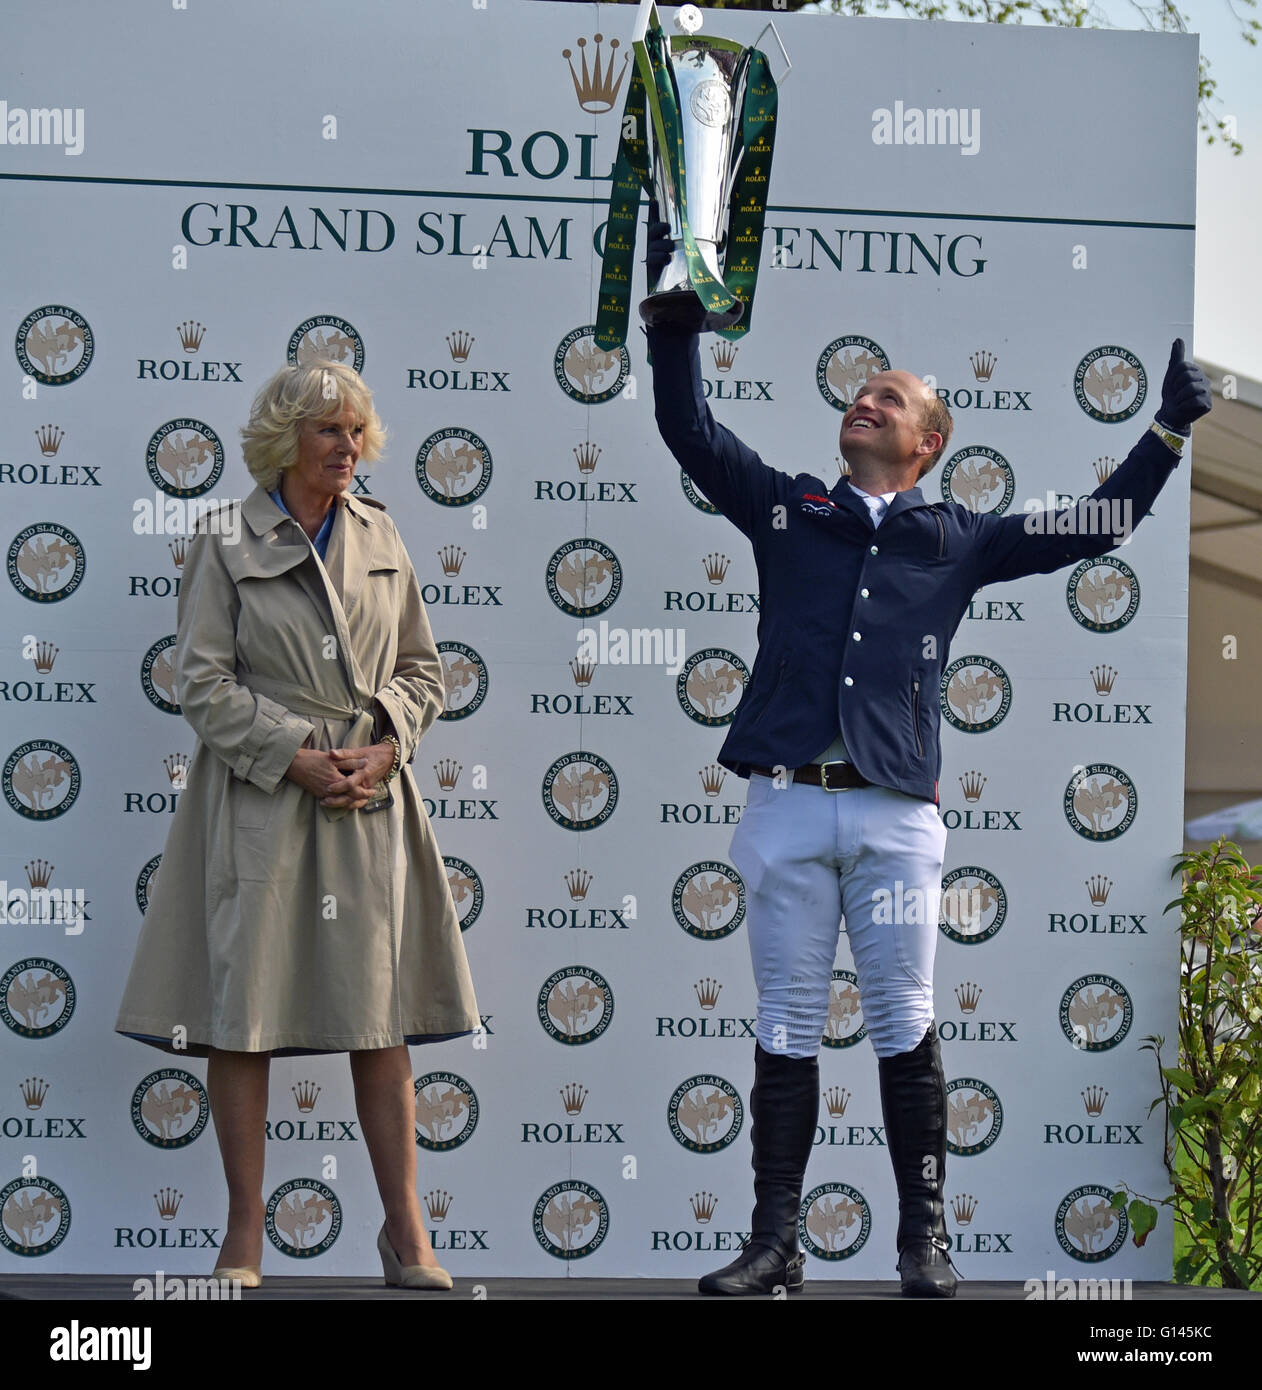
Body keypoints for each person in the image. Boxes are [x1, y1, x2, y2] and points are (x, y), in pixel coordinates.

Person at [644, 215, 1212, 1297]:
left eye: (890, 398)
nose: (865, 399)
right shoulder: (785, 509)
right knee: (784, 1028)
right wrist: (673, 317)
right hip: (783, 806)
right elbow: (687, 427)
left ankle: (922, 1240)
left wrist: (1165, 434)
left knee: (904, 1026)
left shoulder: (958, 536)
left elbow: (1095, 523)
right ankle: (774, 1242)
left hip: (895, 813)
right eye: (860, 389)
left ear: (926, 445)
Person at [116, 360, 479, 1291]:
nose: (349, 449)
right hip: (261, 799)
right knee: (245, 1018)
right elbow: (199, 682)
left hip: (366, 796)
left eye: (357, 431)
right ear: (286, 441)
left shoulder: (384, 535)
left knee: (380, 1014)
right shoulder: (221, 540)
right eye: (329, 432)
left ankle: (408, 1237)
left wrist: (388, 745)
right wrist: (292, 753)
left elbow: (424, 670)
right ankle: (244, 1239)